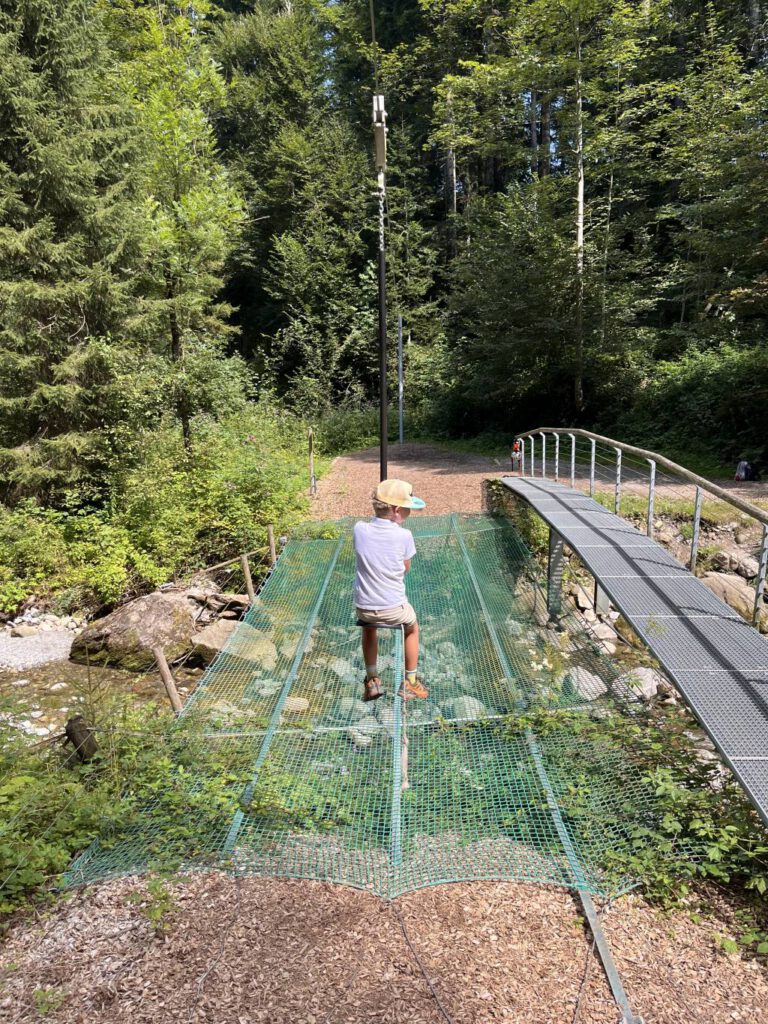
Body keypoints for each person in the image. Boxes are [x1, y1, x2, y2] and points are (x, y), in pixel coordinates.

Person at [353, 479, 428, 702]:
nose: (409, 513)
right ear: (396, 510)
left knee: (368, 628)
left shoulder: (359, 529)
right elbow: (405, 567)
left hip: (364, 607)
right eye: (407, 508)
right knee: (412, 627)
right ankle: (410, 682)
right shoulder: (404, 535)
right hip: (393, 608)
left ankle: (372, 679)